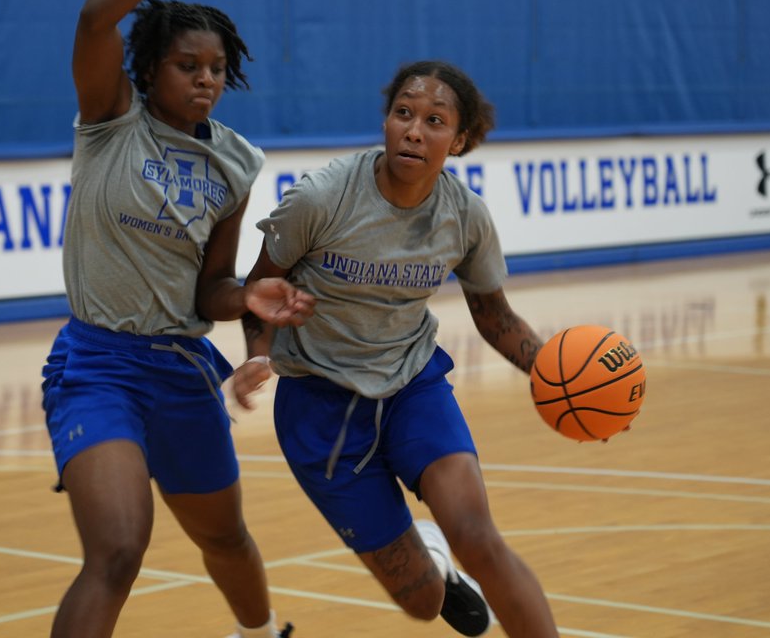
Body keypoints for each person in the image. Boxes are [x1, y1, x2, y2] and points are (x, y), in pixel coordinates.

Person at [40, 0, 310, 638]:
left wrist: (249, 303)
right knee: (118, 551)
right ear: (149, 68)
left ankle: (262, 633)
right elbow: (96, 17)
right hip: (98, 366)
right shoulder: (110, 120)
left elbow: (209, 290)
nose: (205, 80)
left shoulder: (234, 161)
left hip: (182, 368)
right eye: (188, 65)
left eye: (217, 69)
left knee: (223, 536)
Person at [234, 60, 560, 637]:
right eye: (403, 113)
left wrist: (556, 375)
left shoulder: (464, 216)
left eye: (435, 121)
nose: (414, 130)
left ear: (458, 141)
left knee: (479, 537)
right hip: (320, 409)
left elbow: (493, 313)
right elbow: (259, 287)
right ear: (386, 122)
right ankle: (435, 563)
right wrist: (258, 354)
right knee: (423, 601)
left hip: (412, 388)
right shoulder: (321, 198)